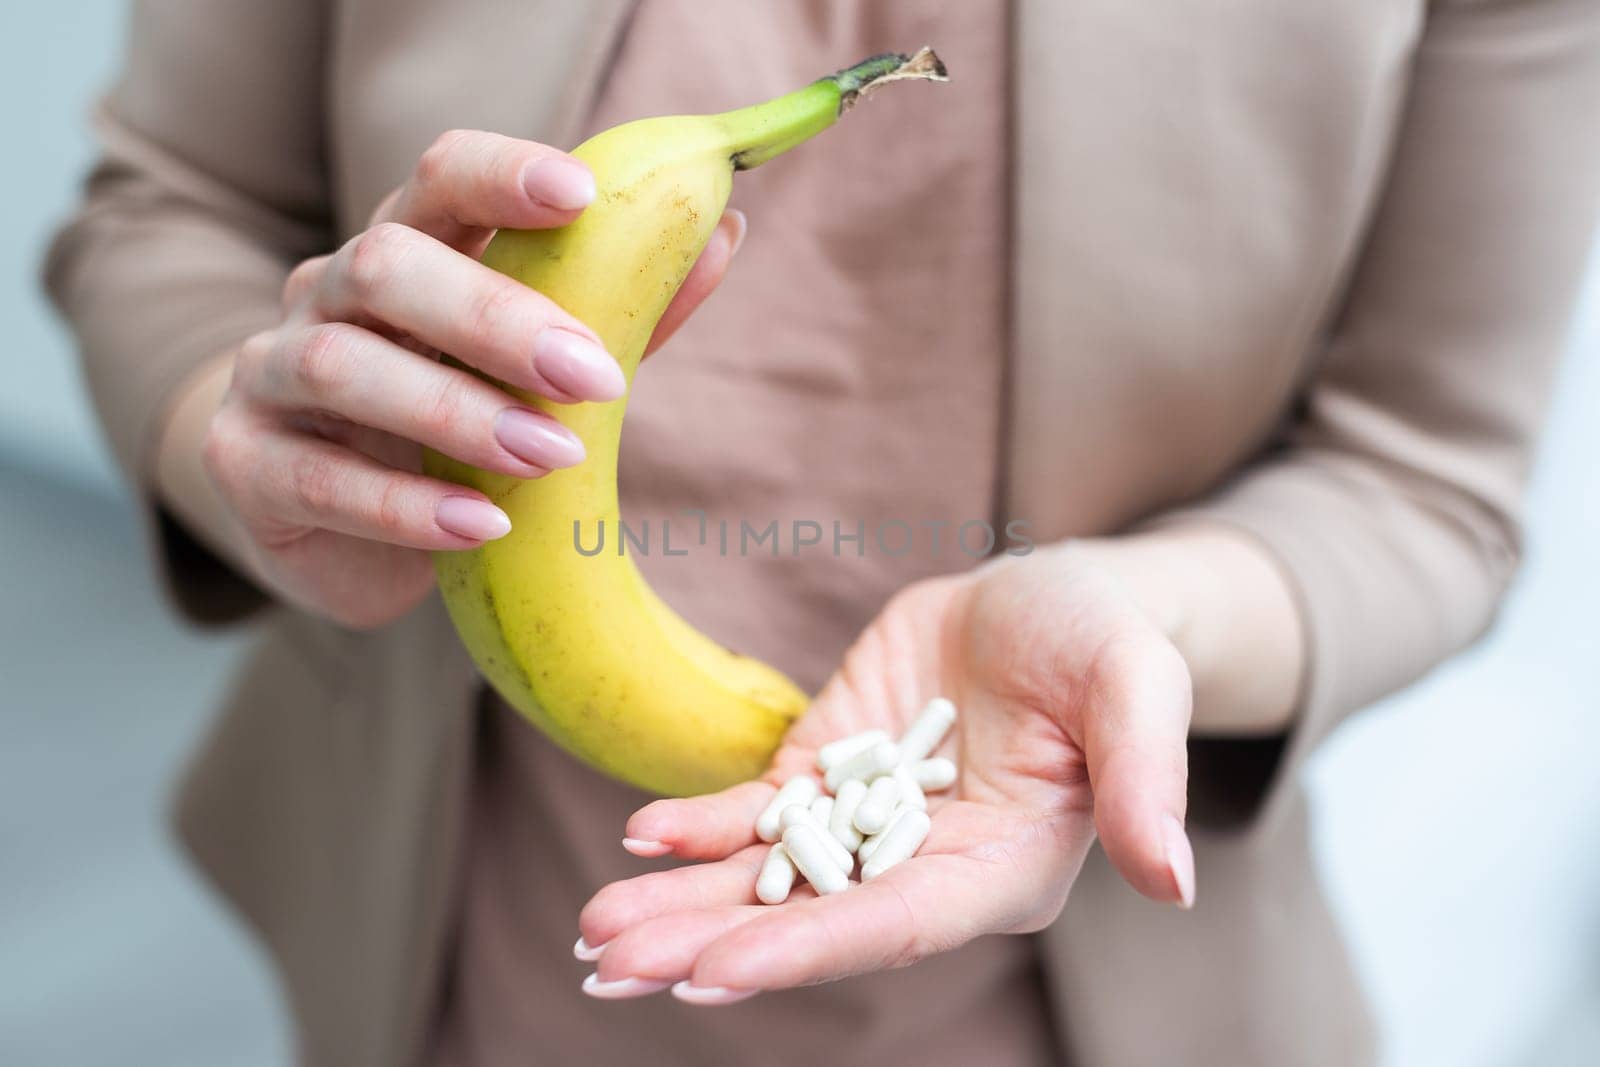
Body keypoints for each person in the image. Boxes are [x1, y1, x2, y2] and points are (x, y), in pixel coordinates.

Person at [44, 1, 1600, 1064]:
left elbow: (1428, 480)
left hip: (1084, 981)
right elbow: (168, 211)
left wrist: (1143, 625)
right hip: (491, 925)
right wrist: (252, 439)